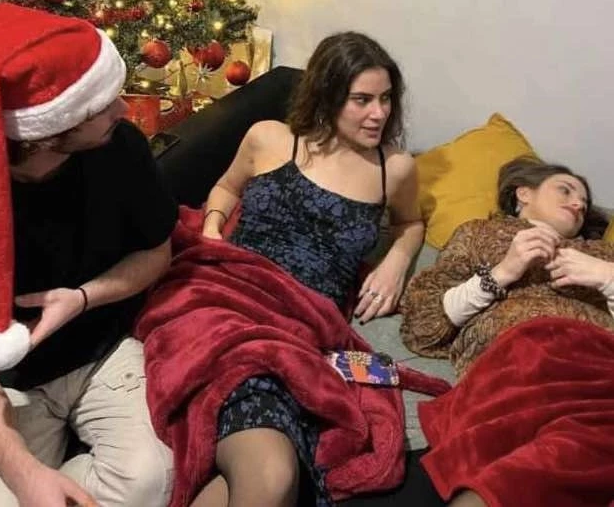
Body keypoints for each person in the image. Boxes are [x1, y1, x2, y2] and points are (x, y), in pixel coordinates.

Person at [136, 31, 436, 507]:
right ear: (327, 94)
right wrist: (212, 228)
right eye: (362, 100)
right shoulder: (269, 137)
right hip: (227, 301)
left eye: (385, 99)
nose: (379, 113)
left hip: (302, 328)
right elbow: (226, 188)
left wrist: (396, 261)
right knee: (272, 474)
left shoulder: (393, 167)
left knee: (272, 471)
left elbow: (410, 223)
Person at [0, 3, 178, 507]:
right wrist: (26, 476)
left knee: (154, 478)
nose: (123, 110)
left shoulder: (121, 148)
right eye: (99, 107)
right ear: (44, 136)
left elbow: (157, 252)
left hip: (104, 349)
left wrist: (82, 298)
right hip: (4, 382)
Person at [400, 156, 614, 507]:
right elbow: (420, 325)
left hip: (598, 366)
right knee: (575, 445)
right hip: (521, 360)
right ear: (523, 193)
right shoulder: (479, 234)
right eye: (566, 190)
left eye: (584, 203)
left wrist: (606, 278)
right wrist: (502, 272)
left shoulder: (602, 254)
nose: (578, 204)